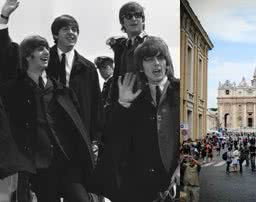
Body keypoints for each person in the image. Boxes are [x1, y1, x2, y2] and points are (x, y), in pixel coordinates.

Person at [0, 1, 95, 201]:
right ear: (27, 56)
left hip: (68, 162)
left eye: (46, 47)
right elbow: (5, 56)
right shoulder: (15, 89)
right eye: (39, 49)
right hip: (38, 167)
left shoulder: (62, 91)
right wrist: (3, 19)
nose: (46, 52)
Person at [91, 37, 179, 201]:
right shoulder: (132, 93)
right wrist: (122, 105)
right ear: (140, 66)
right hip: (140, 187)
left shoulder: (178, 90)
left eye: (160, 58)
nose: (156, 64)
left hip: (173, 184)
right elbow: (112, 139)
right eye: (149, 59)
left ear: (167, 62)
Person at [46, 12, 104, 149]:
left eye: (75, 30)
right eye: (65, 29)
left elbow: (96, 104)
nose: (71, 33)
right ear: (55, 35)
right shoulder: (43, 61)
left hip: (79, 133)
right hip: (50, 134)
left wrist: (95, 139)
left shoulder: (88, 68)